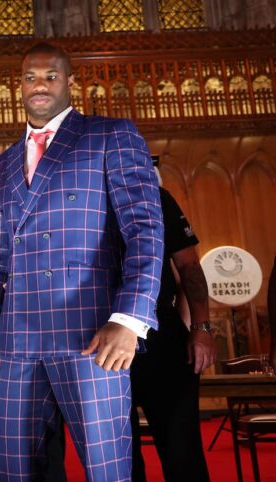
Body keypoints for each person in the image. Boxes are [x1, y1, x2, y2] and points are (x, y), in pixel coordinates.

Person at [0, 42, 164, 481]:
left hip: (92, 335)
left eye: (51, 76)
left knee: (106, 470)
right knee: (16, 471)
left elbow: (144, 231)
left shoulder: (110, 135)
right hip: (14, 343)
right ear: (19, 85)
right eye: (30, 77)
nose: (40, 85)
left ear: (71, 82)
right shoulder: (2, 165)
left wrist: (129, 319)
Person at [130, 183, 216, 482]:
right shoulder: (73, 194)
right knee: (120, 459)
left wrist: (202, 328)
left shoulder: (153, 195)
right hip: (98, 339)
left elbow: (189, 266)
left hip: (162, 334)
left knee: (182, 450)